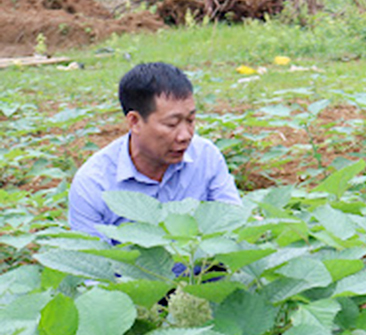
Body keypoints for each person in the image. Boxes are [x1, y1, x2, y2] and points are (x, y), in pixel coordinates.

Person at [69, 62, 241, 239]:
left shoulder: (206, 156)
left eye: (190, 121)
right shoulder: (93, 184)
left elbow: (233, 224)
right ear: (135, 122)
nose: (185, 136)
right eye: (171, 124)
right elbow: (93, 254)